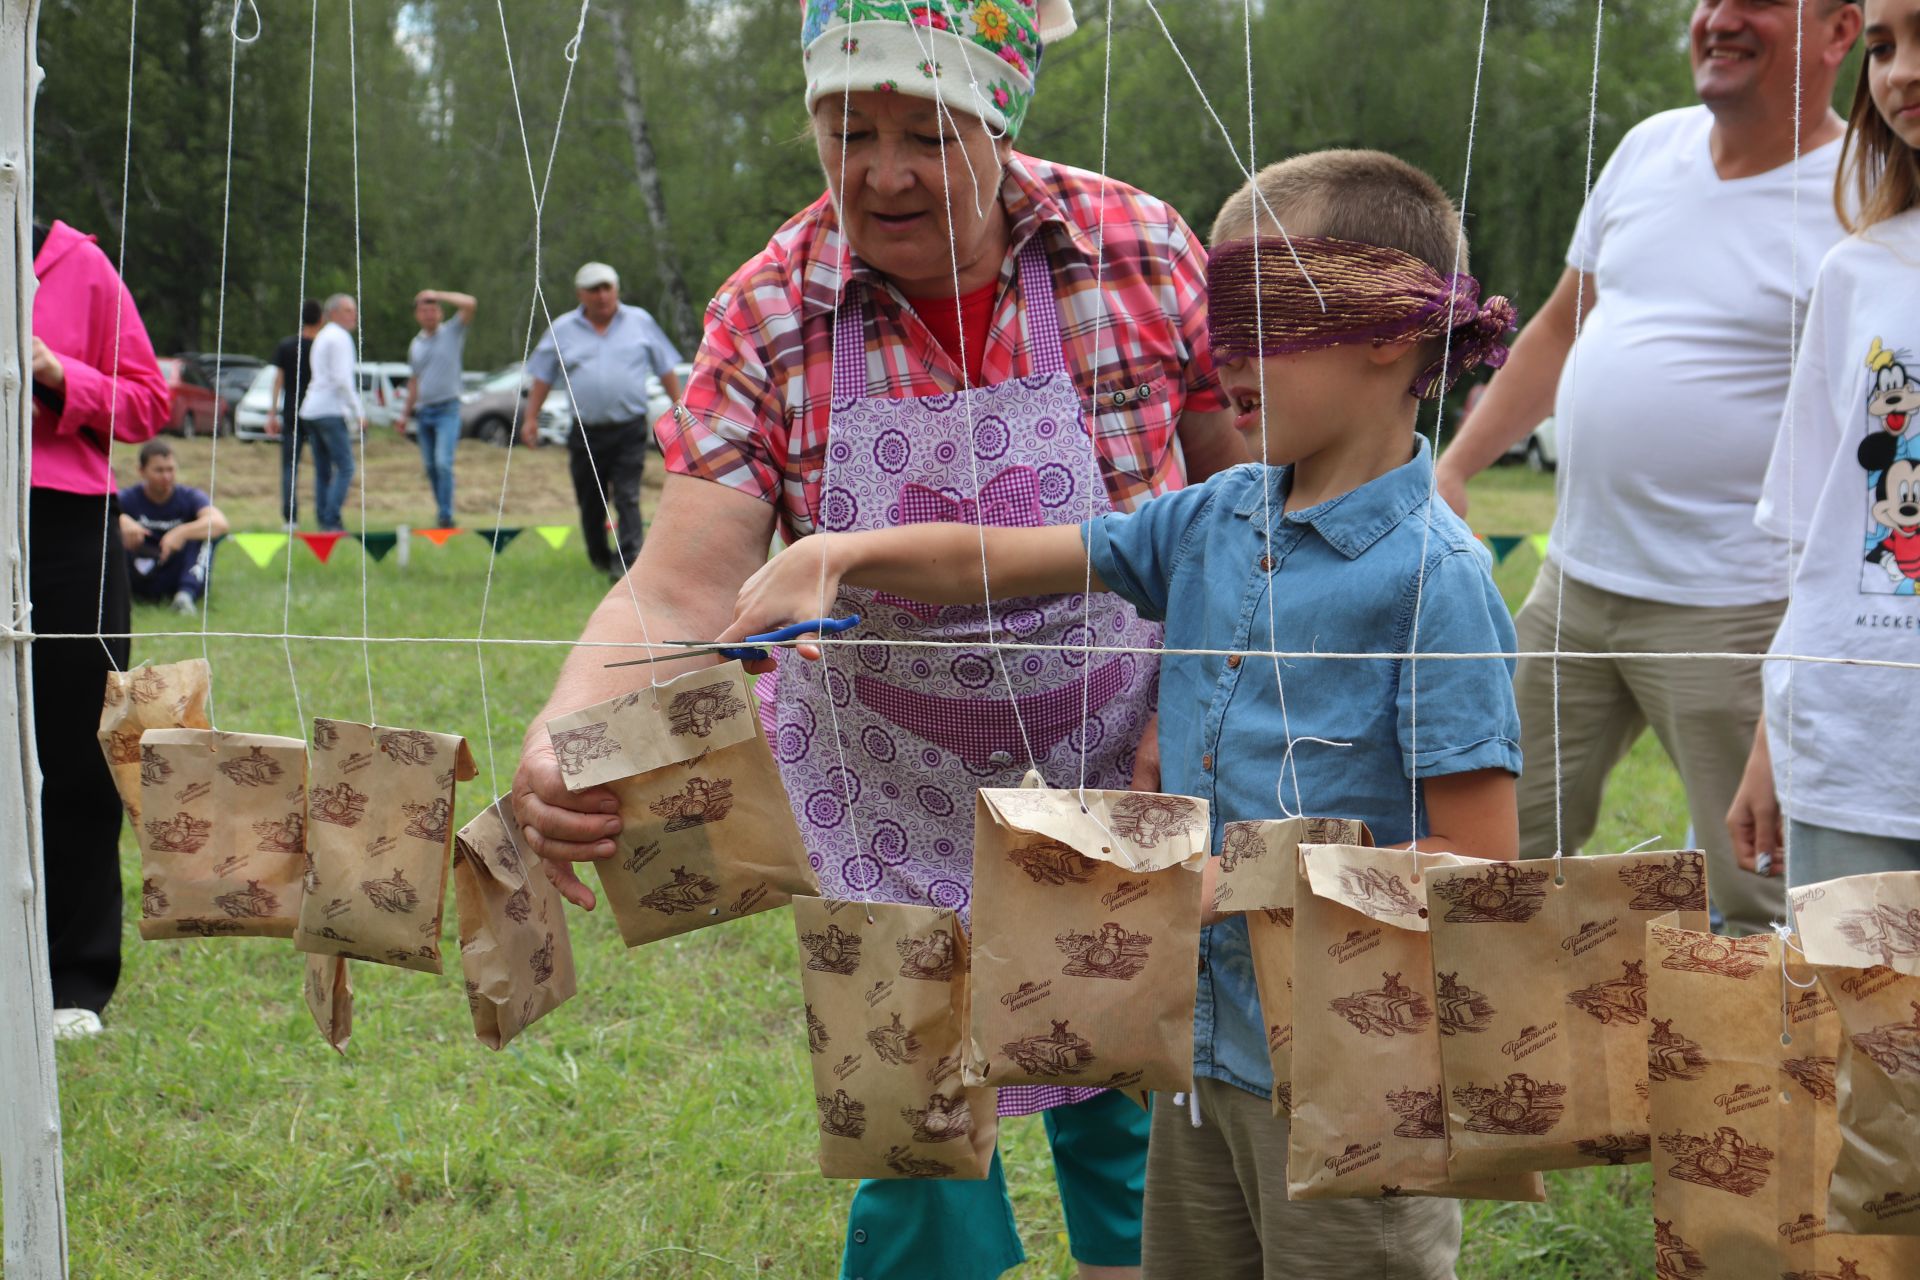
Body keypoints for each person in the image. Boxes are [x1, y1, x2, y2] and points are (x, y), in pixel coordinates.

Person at [513, 4, 1243, 1276]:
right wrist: (566, 728)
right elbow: (682, 587)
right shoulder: (770, 310)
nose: (882, 171)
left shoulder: (1140, 252)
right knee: (910, 1135)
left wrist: (1192, 716)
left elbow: (1246, 517)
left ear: (1001, 120)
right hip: (883, 786)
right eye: (848, 129)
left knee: (1132, 1114)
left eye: (926, 131)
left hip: (1118, 750)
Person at [718, 150, 1523, 1280]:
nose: (1223, 347)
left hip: (1351, 1080)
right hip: (1198, 1057)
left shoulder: (1437, 581)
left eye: (1264, 311)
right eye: (1218, 311)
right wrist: (840, 554)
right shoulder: (1210, 518)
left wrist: (1223, 887)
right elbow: (1009, 558)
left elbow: (1477, 868)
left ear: (1390, 329)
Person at [1431, 0, 1863, 935]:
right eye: (1709, 0)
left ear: (1839, 31)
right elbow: (1557, 325)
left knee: (1759, 892)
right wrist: (1457, 464)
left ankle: (1770, 1079)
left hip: (1738, 607)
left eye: (1755, 3)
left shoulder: (1862, 193)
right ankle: (1515, 1071)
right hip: (1574, 589)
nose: (1719, 19)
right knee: (1495, 856)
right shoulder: (1649, 147)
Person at [1729, 0, 1920, 885]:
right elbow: (1819, 538)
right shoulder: (1859, 273)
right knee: (1848, 1025)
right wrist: (1776, 746)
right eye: (1882, 47)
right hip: (1854, 756)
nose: (1899, 73)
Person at [30, 218, 171, 1037]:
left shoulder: (78, 263)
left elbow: (147, 400)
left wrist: (60, 373)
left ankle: (72, 979)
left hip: (64, 528)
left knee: (78, 752)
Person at [524, 264, 681, 579]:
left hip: (630, 427)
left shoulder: (640, 322)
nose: (602, 295)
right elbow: (542, 376)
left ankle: (627, 563)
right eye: (594, 290)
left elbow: (665, 367)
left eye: (607, 287)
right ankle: (599, 557)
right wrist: (530, 417)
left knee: (627, 495)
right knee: (591, 501)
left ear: (617, 288)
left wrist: (679, 407)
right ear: (580, 294)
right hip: (585, 432)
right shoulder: (563, 329)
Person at [395, 287, 477, 529]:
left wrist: (437, 294)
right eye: (424, 310)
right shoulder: (416, 344)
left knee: (443, 462)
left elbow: (470, 303)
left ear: (440, 312)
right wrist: (404, 414)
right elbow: (414, 381)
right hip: (424, 412)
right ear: (417, 316)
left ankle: (446, 514)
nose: (429, 314)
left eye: (433, 309)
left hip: (448, 409)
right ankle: (442, 510)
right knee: (430, 466)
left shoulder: (452, 332)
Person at [118, 439, 228, 614]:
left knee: (205, 536)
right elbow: (97, 514)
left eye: (170, 469)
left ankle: (185, 597)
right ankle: (115, 596)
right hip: (138, 569)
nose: (166, 476)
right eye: (159, 470)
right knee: (109, 530)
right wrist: (122, 520)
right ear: (141, 471)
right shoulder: (128, 497)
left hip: (178, 572)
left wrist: (182, 532)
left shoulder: (190, 496)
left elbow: (220, 523)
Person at [298, 294, 365, 533]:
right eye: (348, 310)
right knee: (346, 467)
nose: (353, 315)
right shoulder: (340, 337)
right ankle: (331, 518)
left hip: (311, 410)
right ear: (333, 313)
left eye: (354, 310)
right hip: (329, 410)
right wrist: (358, 411)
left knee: (323, 470)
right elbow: (341, 379)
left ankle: (322, 518)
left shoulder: (324, 336)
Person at [267, 299, 321, 527]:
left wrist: (272, 412)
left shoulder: (286, 345)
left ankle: (290, 518)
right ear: (321, 319)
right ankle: (325, 516)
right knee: (323, 466)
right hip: (318, 412)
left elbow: (278, 381)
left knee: (290, 466)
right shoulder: (321, 346)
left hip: (291, 413)